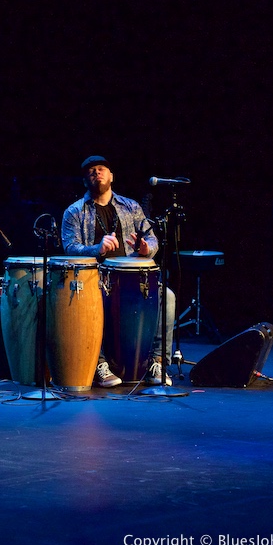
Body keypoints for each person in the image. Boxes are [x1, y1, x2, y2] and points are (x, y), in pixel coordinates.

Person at [61, 155, 175, 387]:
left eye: (102, 169)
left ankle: (157, 361)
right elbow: (69, 247)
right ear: (85, 180)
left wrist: (146, 248)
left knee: (168, 297)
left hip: (132, 277)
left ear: (111, 176)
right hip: (94, 276)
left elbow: (152, 239)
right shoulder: (74, 212)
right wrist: (96, 248)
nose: (97, 173)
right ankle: (99, 363)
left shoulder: (131, 207)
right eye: (91, 171)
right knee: (88, 303)